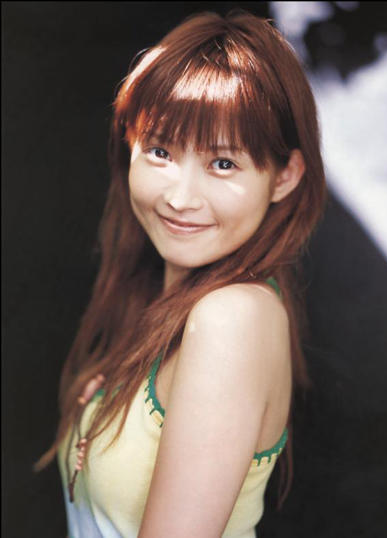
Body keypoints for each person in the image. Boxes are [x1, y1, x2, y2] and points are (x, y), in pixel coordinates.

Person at [35, 8, 326, 537]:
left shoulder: (232, 317)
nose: (180, 198)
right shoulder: (163, 307)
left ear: (284, 176)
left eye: (223, 163)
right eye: (161, 151)